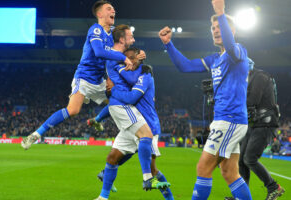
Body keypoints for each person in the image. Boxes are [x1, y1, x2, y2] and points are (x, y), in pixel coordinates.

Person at [159, 0, 252, 199]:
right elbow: (185, 66)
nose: (215, 30)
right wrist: (168, 44)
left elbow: (230, 45)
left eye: (220, 27)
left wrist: (220, 12)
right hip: (226, 121)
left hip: (230, 120)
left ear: (231, 31)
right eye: (213, 28)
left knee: (203, 167)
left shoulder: (238, 52)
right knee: (229, 172)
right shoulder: (214, 60)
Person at [21, 0, 134, 150]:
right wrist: (123, 57)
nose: (113, 11)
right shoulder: (96, 30)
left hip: (99, 80)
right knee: (73, 110)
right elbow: (100, 52)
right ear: (100, 14)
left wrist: (133, 54)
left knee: (120, 100)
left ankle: (97, 120)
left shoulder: (111, 33)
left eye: (113, 8)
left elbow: (119, 46)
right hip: (85, 78)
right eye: (109, 9)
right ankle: (35, 134)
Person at [94, 25, 170, 200]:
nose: (134, 39)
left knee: (115, 157)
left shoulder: (139, 70)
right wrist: (135, 60)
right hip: (125, 107)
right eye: (131, 36)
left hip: (134, 113)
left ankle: (104, 194)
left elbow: (132, 77)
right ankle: (146, 180)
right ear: (122, 40)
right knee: (141, 141)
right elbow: (130, 84)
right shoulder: (119, 58)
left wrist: (137, 60)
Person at [237, 61, 284, 200]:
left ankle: (274, 187)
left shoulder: (260, 77)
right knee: (241, 161)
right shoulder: (248, 78)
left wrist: (231, 100)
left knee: (250, 159)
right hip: (254, 124)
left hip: (265, 124)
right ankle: (242, 196)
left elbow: (253, 100)